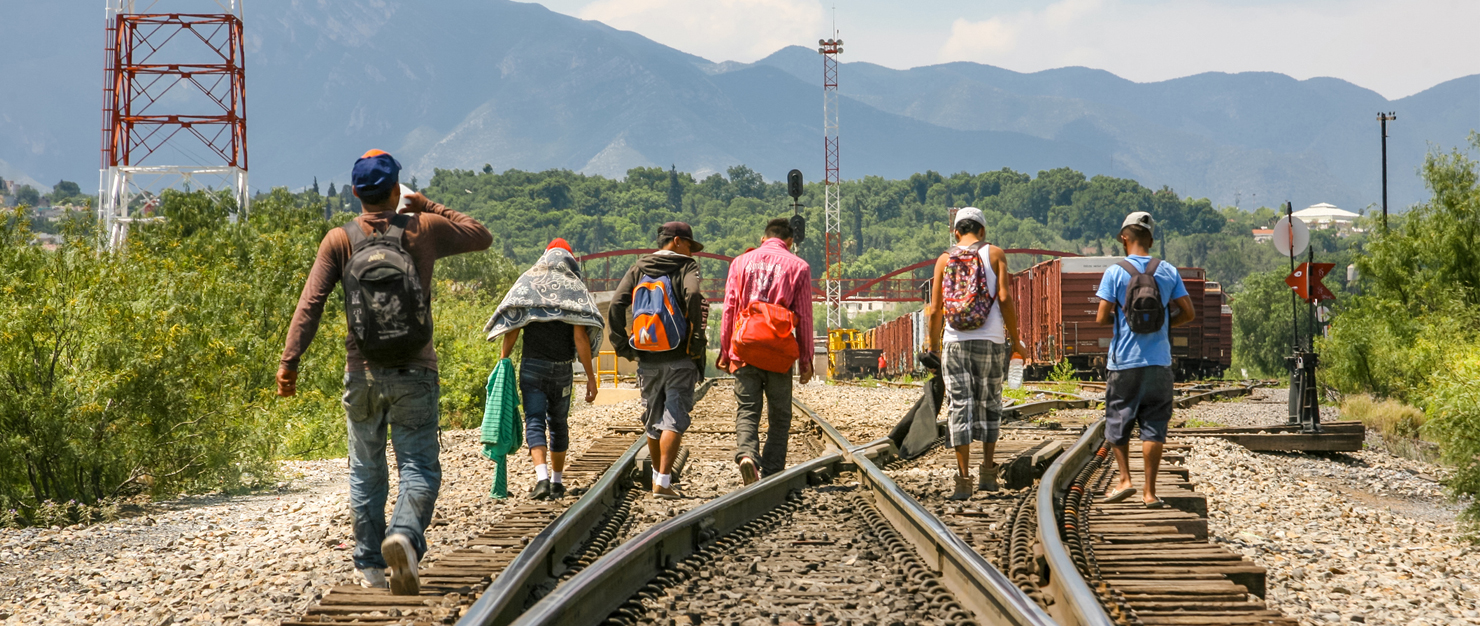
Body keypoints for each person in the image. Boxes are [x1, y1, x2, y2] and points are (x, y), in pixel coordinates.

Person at [276, 150, 492, 595]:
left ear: (356, 193)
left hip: (362, 372)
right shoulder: (423, 228)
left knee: (366, 470)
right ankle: (405, 537)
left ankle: (370, 566)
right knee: (418, 466)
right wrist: (428, 205)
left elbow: (310, 304)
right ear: (397, 190)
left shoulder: (339, 239)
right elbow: (481, 235)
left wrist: (289, 362)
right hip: (415, 369)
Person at [484, 238, 605, 501]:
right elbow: (581, 338)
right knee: (558, 424)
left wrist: (503, 361)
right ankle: (557, 482)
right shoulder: (575, 287)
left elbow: (514, 324)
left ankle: (542, 479)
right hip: (561, 370)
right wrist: (591, 378)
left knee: (535, 420)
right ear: (569, 259)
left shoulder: (529, 282)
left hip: (532, 368)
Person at [1095, 211, 1195, 509]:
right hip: (1159, 362)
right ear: (1150, 240)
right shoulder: (1167, 271)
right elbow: (1188, 313)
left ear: (1125, 238)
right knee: (1154, 426)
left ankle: (1125, 479)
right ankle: (1150, 492)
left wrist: (1123, 318)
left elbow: (1101, 317)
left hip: (1124, 362)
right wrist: (1162, 324)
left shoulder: (1115, 272)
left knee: (1118, 421)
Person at [925, 207, 1025, 501]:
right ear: (982, 231)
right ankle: (988, 475)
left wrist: (932, 346)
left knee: (960, 405)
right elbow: (1004, 298)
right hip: (991, 339)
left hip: (954, 342)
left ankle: (963, 480)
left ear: (956, 232)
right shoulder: (995, 254)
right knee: (990, 402)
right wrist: (1016, 340)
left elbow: (934, 310)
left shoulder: (944, 259)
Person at [608, 222, 709, 499]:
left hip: (647, 357)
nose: (692, 252)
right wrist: (696, 336)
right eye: (689, 245)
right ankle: (662, 482)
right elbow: (693, 294)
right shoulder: (686, 266)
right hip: (679, 356)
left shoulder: (638, 267)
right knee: (674, 418)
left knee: (653, 420)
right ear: (677, 241)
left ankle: (657, 477)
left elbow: (617, 303)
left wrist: (621, 344)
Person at [716, 218, 814, 485]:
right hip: (779, 352)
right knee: (780, 414)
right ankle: (772, 472)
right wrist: (806, 359)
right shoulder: (799, 267)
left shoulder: (739, 263)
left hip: (745, 347)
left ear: (763, 238)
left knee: (747, 408)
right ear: (790, 241)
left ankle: (747, 455)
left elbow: (729, 308)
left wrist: (726, 350)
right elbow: (804, 316)